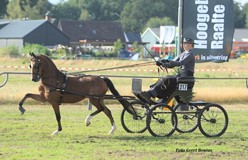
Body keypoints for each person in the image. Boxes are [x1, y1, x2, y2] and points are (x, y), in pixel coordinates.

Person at [140, 37, 196, 102]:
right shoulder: (183, 54)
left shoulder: (190, 54)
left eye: (186, 44)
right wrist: (163, 63)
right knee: (164, 78)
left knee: (167, 78)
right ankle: (151, 93)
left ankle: (150, 94)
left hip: (186, 78)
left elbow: (180, 63)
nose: (183, 45)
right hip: (180, 76)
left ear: (191, 45)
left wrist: (167, 61)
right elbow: (173, 62)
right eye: (183, 43)